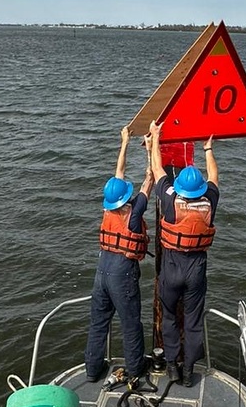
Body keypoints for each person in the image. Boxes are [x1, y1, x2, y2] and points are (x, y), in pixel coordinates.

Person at [148, 120, 219, 387]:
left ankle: (171, 365)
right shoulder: (209, 200)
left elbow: (157, 169)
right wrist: (208, 149)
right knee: (192, 321)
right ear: (199, 189)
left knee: (168, 317)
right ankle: (189, 371)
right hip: (196, 270)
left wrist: (155, 137)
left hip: (172, 268)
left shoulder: (169, 199)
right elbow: (214, 176)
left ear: (180, 188)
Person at [84, 126, 154, 383]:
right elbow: (150, 179)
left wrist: (124, 142)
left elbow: (118, 175)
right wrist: (150, 148)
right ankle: (135, 369)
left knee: (98, 323)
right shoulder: (135, 211)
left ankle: (92, 370)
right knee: (131, 323)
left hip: (101, 272)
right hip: (122, 274)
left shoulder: (108, 210)